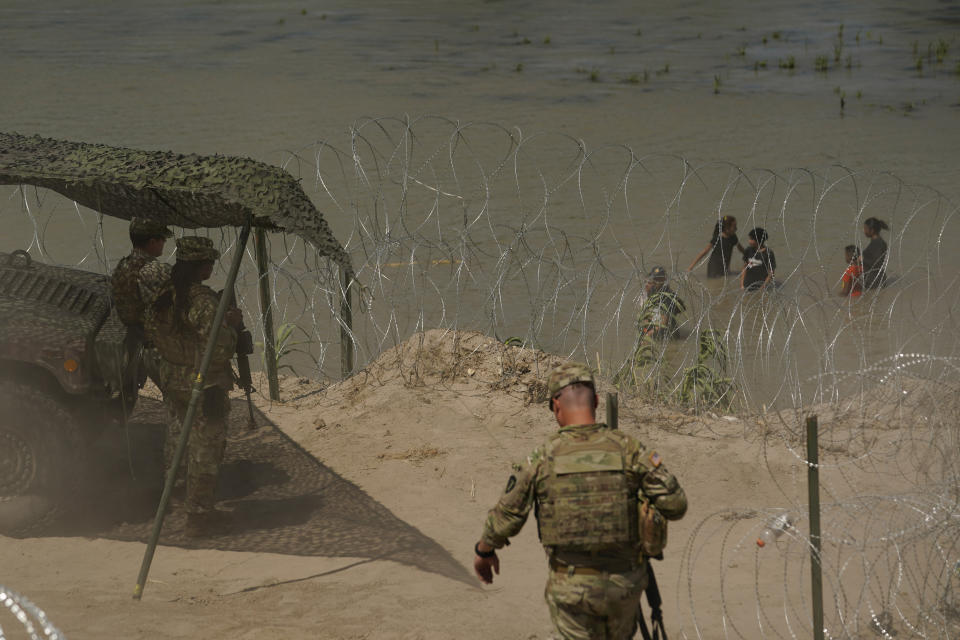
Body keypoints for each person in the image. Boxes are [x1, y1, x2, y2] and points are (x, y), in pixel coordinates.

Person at [473, 362, 687, 640]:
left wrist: (484, 551)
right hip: (624, 585)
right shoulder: (630, 449)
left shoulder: (541, 458)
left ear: (555, 407)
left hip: (572, 589)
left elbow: (507, 517)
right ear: (596, 401)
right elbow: (676, 505)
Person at [145, 236, 243, 536]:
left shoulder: (167, 293)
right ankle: (198, 516)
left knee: (177, 433)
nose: (212, 266)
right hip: (203, 384)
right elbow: (221, 348)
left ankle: (174, 493)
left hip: (172, 377)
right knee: (206, 446)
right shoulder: (202, 301)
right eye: (209, 262)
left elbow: (154, 330)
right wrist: (231, 327)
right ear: (203, 266)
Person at [110, 217, 173, 396]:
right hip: (155, 344)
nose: (164, 243)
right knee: (181, 398)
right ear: (152, 242)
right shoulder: (153, 270)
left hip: (132, 340)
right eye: (162, 239)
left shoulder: (123, 266)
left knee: (127, 392)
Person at [638, 266, 685, 340]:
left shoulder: (667, 296)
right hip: (655, 330)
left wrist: (647, 336)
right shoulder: (650, 293)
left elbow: (664, 323)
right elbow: (647, 316)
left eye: (658, 279)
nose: (655, 281)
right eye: (654, 279)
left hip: (668, 335)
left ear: (664, 280)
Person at [862, 217, 889, 289]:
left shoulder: (879, 243)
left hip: (875, 281)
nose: (864, 231)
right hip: (873, 279)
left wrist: (862, 259)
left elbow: (876, 262)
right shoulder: (876, 242)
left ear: (872, 230)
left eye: (865, 229)